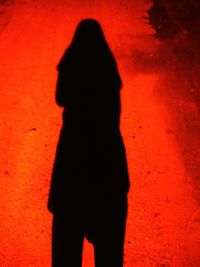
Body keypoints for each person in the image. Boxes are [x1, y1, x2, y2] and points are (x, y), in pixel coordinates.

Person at [47, 18, 130, 267]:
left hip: (72, 174)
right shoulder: (108, 72)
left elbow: (59, 97)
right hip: (108, 172)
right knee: (109, 254)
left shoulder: (73, 133)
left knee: (66, 253)